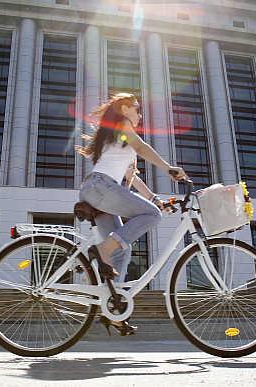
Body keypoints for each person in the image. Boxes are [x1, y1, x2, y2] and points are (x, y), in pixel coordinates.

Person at [76, 93, 187, 335]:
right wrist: (169, 168)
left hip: (99, 191)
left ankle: (113, 311)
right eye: (137, 109)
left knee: (122, 250)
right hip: (101, 187)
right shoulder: (123, 126)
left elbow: (132, 179)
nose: (140, 115)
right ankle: (102, 250)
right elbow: (141, 145)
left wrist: (155, 200)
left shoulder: (118, 138)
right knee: (152, 216)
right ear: (125, 108)